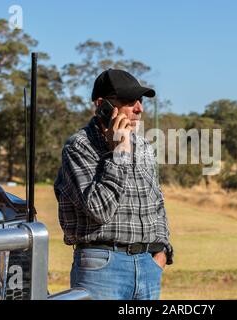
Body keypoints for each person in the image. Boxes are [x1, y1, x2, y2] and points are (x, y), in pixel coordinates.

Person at [54, 69, 173, 300]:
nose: (139, 108)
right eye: (130, 101)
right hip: (102, 267)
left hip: (148, 267)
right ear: (102, 105)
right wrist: (119, 153)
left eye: (140, 101)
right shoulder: (79, 147)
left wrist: (161, 253)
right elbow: (99, 209)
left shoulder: (144, 146)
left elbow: (157, 202)